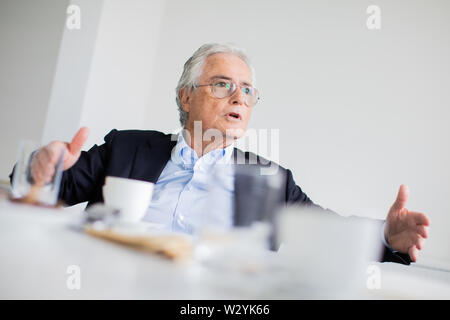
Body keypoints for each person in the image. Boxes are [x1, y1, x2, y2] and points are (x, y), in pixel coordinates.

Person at [11, 43, 430, 265]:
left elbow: (321, 233)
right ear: (185, 97)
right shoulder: (127, 147)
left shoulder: (270, 178)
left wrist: (386, 237)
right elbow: (43, 190)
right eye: (222, 84)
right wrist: (40, 168)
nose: (239, 98)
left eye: (247, 90)